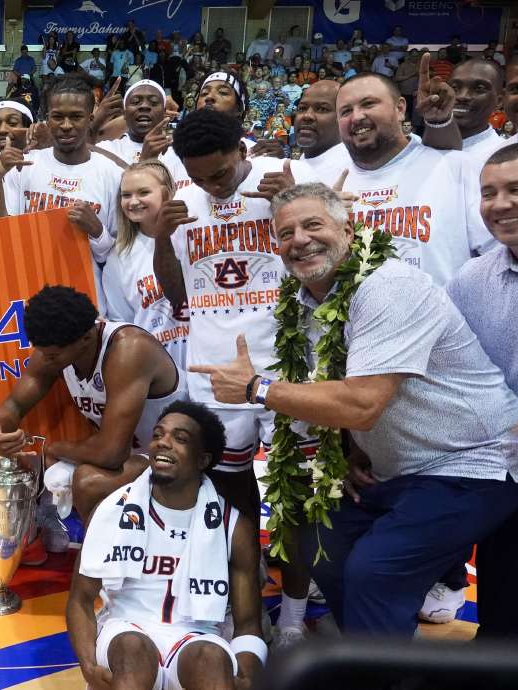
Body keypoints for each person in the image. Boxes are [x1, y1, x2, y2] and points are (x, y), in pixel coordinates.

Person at [193, 182, 518, 637]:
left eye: (313, 224)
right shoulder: (303, 302)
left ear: (349, 230)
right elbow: (338, 388)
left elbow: (362, 402)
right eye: (285, 232)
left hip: (479, 461)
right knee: (320, 540)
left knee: (375, 571)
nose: (298, 238)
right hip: (402, 469)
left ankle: (374, 669)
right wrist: (351, 448)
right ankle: (379, 657)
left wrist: (258, 388)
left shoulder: (387, 285)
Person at [153, 107, 319, 646]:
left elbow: (324, 262)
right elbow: (177, 296)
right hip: (215, 370)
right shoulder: (185, 199)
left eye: (220, 174)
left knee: (295, 495)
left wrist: (291, 205)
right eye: (199, 177)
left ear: (243, 152)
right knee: (231, 497)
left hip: (288, 364)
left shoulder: (281, 179)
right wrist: (160, 238)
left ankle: (293, 616)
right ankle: (246, 604)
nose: (210, 186)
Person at [67, 401, 264, 690]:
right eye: (158, 434)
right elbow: (80, 600)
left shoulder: (233, 527)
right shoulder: (111, 510)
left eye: (179, 438)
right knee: (131, 650)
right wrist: (88, 665)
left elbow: (247, 624)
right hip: (125, 626)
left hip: (197, 635)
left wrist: (247, 675)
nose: (163, 443)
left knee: (211, 660)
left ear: (202, 459)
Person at [0, 284, 185, 524]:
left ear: (87, 337)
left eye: (53, 356)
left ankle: (96, 557)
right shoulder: (55, 348)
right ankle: (50, 529)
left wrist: (54, 449)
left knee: (87, 482)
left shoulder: (129, 349)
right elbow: (14, 406)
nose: (45, 361)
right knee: (38, 463)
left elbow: (111, 453)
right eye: (42, 353)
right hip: (133, 455)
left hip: (177, 456)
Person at [444, 142, 518, 640]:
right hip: (513, 475)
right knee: (504, 620)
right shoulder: (470, 282)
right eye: (488, 193)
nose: (500, 204)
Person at [335, 72, 486, 284]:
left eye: (368, 104)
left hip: (445, 316)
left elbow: (496, 256)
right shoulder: (328, 187)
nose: (357, 116)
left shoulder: (456, 166)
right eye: (345, 111)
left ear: (400, 109)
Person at [0, 77, 120, 267]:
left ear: (90, 119)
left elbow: (119, 256)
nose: (66, 125)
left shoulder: (112, 175)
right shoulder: (24, 165)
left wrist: (98, 232)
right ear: (47, 119)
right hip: (31, 287)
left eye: (76, 117)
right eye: (58, 117)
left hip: (88, 291)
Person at [102, 161, 189, 369]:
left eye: (143, 192)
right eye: (126, 195)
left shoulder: (190, 234)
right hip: (159, 371)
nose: (133, 202)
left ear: (166, 194)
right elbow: (124, 325)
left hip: (206, 362)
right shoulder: (118, 257)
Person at [293, 80, 352, 180]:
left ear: (344, 117)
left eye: (322, 109)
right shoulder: (298, 164)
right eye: (302, 108)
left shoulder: (353, 169)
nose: (307, 116)